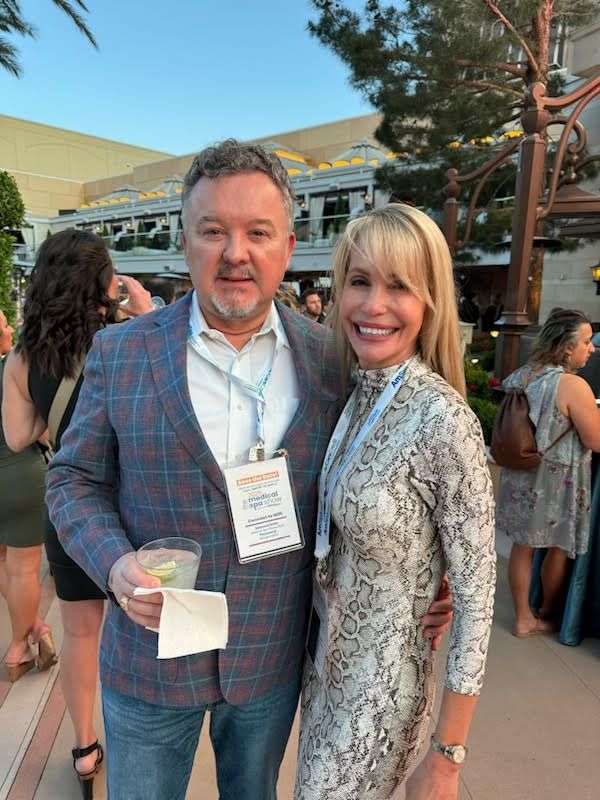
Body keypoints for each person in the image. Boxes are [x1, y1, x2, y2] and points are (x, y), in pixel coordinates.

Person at [44, 140, 451, 800]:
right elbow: (72, 479)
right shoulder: (120, 352)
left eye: (257, 233)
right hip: (148, 664)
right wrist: (114, 564)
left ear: (287, 246)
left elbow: (381, 486)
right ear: (186, 241)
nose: (236, 253)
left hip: (268, 661)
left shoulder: (333, 362)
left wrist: (426, 581)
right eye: (214, 232)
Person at [295, 204, 496, 800]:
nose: (373, 305)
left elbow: (478, 604)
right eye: (360, 281)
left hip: (383, 698)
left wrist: (448, 758)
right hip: (327, 677)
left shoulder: (444, 420)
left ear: (429, 301)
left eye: (399, 286)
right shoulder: (354, 388)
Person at [2, 230, 152, 799]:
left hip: (68, 510)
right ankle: (141, 734)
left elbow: (18, 437)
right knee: (139, 624)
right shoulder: (126, 339)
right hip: (130, 504)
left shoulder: (21, 356)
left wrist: (56, 429)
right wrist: (140, 313)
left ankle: (85, 747)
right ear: (99, 282)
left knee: (80, 632)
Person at [496, 309, 600, 637]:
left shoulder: (523, 375)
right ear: (567, 347)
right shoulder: (572, 385)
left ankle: (522, 615)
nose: (592, 348)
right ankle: (543, 614)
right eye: (586, 341)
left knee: (521, 548)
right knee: (558, 547)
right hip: (558, 479)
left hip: (522, 472)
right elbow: (595, 439)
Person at [0, 308, 57, 682]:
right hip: (20, 476)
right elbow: (40, 434)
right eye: (4, 323)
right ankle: (19, 647)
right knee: (23, 568)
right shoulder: (13, 369)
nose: (9, 328)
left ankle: (34, 625)